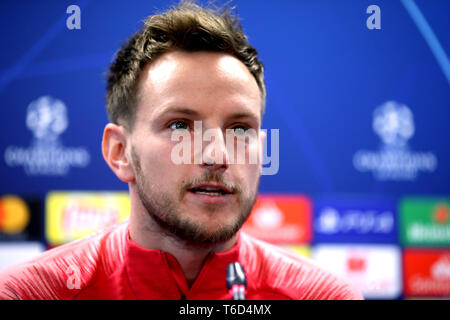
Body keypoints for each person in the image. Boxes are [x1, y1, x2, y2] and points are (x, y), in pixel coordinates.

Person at [0, 1, 362, 300]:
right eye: (179, 125)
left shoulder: (325, 296)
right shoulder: (28, 294)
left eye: (239, 129)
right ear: (120, 152)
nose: (217, 154)